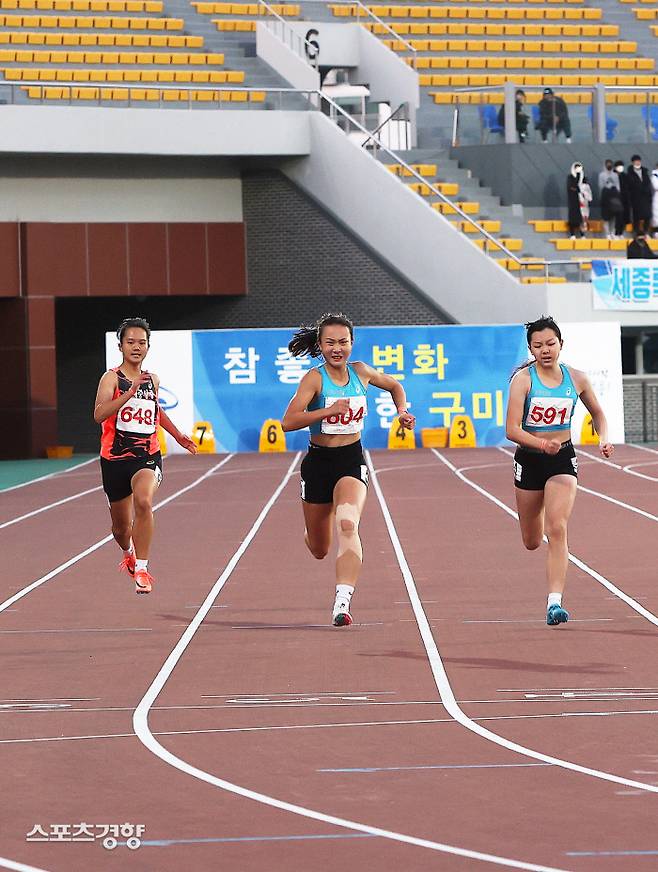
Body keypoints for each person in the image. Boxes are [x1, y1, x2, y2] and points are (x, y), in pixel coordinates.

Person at [282, 313, 415, 627]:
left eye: (343, 342)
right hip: (317, 463)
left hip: (351, 460)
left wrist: (402, 411)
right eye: (330, 342)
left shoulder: (362, 373)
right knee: (319, 547)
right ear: (320, 345)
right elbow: (288, 422)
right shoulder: (314, 379)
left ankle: (342, 602)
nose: (337, 348)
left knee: (347, 523)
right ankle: (314, 530)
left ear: (352, 343)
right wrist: (328, 410)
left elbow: (395, 385)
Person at [506, 316, 613, 626]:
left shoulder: (576, 379)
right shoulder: (523, 380)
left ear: (561, 344)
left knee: (558, 526)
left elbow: (599, 415)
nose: (545, 350)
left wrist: (603, 438)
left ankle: (555, 603)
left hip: (562, 459)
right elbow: (511, 429)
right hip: (530, 459)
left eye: (551, 344)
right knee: (531, 540)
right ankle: (535, 524)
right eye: (538, 346)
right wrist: (540, 446)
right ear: (530, 349)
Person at [93, 317, 197, 594]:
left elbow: (155, 410)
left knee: (144, 500)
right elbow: (99, 414)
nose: (136, 347)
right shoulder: (111, 378)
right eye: (130, 342)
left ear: (148, 347)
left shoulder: (153, 379)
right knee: (120, 529)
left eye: (141, 343)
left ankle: (142, 568)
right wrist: (129, 392)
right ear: (120, 346)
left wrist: (177, 435)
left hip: (146, 456)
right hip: (114, 459)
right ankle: (128, 551)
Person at [626, 154, 653, 235]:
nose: (637, 163)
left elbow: (648, 183)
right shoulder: (630, 174)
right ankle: (636, 232)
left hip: (645, 198)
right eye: (636, 161)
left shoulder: (645, 172)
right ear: (633, 162)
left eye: (638, 161)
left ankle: (645, 232)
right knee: (636, 217)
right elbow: (629, 187)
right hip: (636, 198)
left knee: (647, 215)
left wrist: (648, 194)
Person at [598, 159, 623, 240]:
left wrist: (617, 194)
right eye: (608, 164)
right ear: (605, 165)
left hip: (614, 197)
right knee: (606, 217)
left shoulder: (615, 175)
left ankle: (612, 232)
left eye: (610, 164)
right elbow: (601, 186)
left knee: (613, 216)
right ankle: (607, 233)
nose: (609, 166)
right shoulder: (601, 175)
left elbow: (618, 186)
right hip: (605, 197)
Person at [566, 162, 592, 238]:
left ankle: (582, 234)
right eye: (577, 167)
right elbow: (570, 187)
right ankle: (572, 234)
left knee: (582, 219)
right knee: (573, 217)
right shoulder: (570, 177)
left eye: (580, 167)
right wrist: (577, 190)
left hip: (582, 201)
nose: (578, 169)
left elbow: (586, 190)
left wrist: (583, 193)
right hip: (573, 200)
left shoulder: (582, 177)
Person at [613, 160, 630, 239]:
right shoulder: (613, 175)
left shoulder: (625, 176)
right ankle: (616, 233)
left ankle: (621, 232)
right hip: (615, 199)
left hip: (624, 199)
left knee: (623, 217)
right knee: (617, 217)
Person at [651, 162, 658, 236]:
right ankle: (656, 232)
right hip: (656, 198)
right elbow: (656, 186)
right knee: (656, 216)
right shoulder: (654, 175)